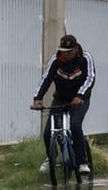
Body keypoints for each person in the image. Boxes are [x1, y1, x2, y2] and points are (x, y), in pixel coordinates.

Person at [31, 34, 96, 174]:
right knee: (48, 132)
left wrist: (80, 96)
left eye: (69, 52)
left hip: (80, 100)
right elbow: (46, 79)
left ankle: (82, 162)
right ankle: (51, 158)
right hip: (60, 99)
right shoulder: (56, 60)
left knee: (75, 126)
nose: (65, 55)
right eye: (63, 51)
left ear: (75, 49)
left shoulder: (85, 58)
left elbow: (90, 78)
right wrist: (37, 98)